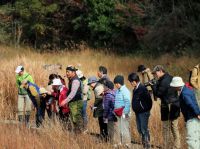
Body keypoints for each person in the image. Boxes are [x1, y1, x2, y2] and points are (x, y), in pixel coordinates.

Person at [151, 65, 180, 149]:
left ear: (160, 71)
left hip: (167, 105)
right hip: (175, 105)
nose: (155, 75)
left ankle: (166, 146)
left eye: (155, 73)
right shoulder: (170, 77)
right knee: (174, 126)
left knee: (166, 127)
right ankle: (176, 146)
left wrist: (153, 85)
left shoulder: (164, 81)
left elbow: (158, 94)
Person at [170, 77, 200, 149]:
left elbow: (191, 104)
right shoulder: (186, 89)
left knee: (192, 139)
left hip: (192, 118)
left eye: (174, 86)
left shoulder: (184, 93)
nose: (173, 88)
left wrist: (198, 114)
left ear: (177, 85)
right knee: (196, 138)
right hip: (193, 117)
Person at [128, 73, 152, 149]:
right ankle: (144, 143)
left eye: (131, 81)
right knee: (139, 129)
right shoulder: (135, 89)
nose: (131, 83)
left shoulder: (142, 88)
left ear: (135, 81)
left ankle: (147, 145)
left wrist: (144, 109)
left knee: (144, 129)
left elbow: (149, 101)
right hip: (137, 112)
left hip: (143, 113)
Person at [60, 65, 83, 133]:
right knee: (73, 118)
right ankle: (76, 133)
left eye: (68, 72)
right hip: (73, 102)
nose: (67, 73)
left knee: (76, 118)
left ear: (73, 72)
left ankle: (78, 134)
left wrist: (65, 101)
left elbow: (73, 93)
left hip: (76, 102)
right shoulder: (71, 79)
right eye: (66, 71)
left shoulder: (75, 80)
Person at [113, 75, 131, 148]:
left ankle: (127, 143)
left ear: (120, 83)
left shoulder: (125, 91)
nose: (116, 85)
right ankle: (118, 142)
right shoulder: (117, 91)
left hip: (124, 112)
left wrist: (125, 112)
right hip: (117, 112)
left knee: (125, 128)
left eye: (117, 83)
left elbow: (127, 102)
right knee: (117, 127)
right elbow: (116, 101)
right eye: (115, 83)